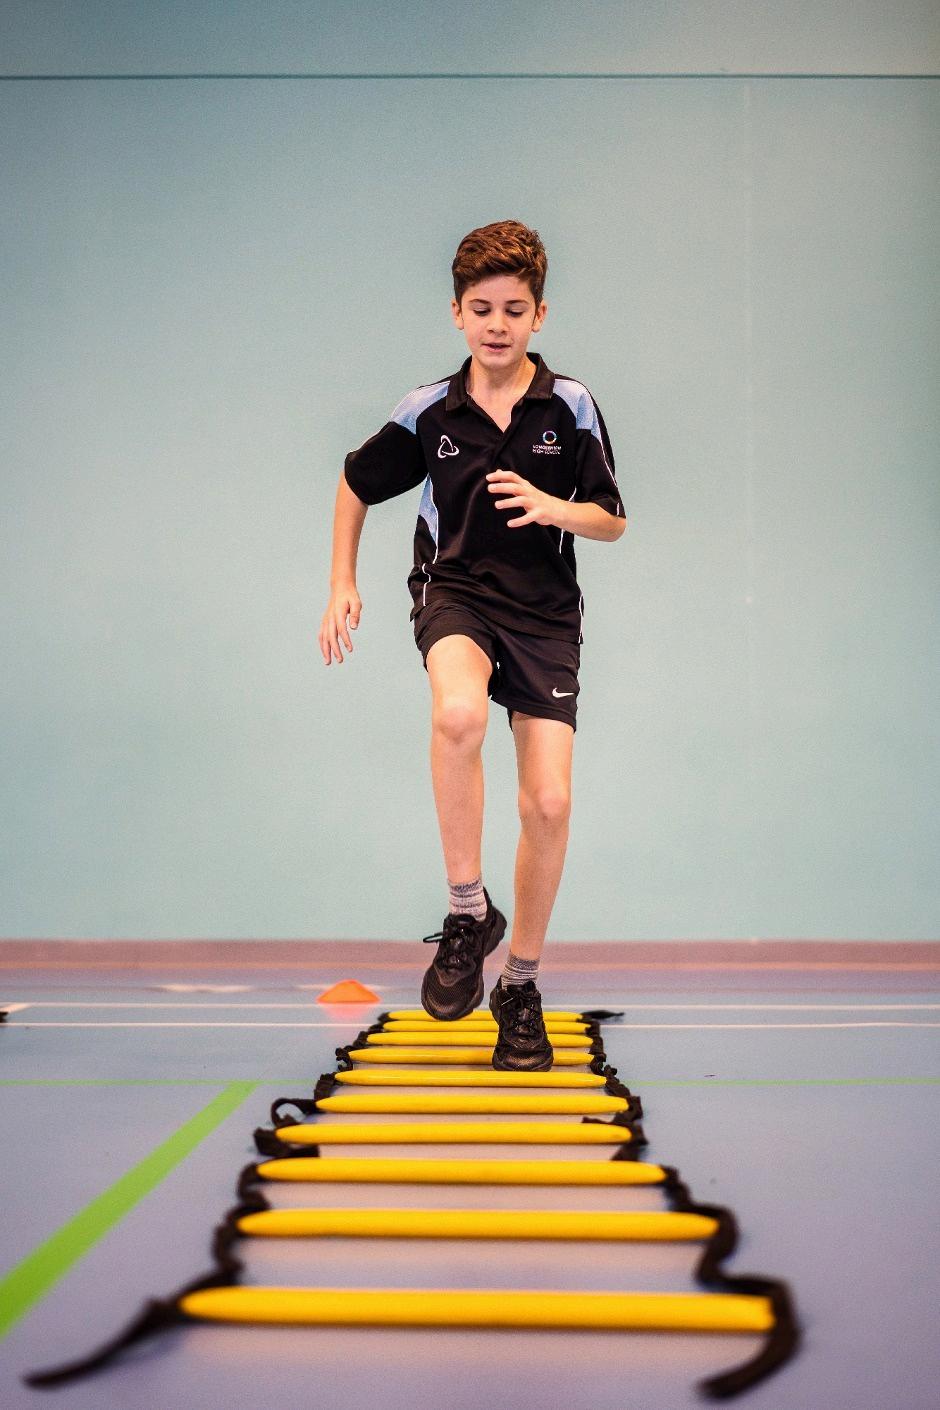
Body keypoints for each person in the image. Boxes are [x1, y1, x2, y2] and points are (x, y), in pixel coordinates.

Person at [318, 220, 626, 1070]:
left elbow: (612, 519)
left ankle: (519, 983)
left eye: (514, 309)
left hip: (544, 615)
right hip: (453, 591)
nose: (498, 324)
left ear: (539, 315)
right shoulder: (429, 411)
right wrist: (342, 581)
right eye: (482, 308)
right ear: (457, 313)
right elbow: (355, 482)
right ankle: (466, 911)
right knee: (458, 713)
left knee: (548, 804)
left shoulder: (570, 405)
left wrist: (554, 508)